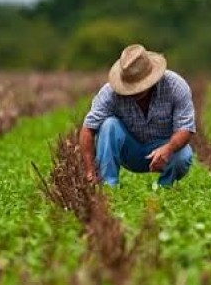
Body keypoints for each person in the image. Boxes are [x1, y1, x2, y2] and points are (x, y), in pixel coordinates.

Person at [79, 44, 196, 187]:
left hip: (163, 149)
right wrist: (90, 171)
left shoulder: (176, 86)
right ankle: (108, 186)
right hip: (130, 151)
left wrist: (168, 149)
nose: (135, 91)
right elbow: (88, 128)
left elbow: (185, 128)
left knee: (183, 156)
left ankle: (164, 188)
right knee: (109, 125)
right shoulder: (110, 93)